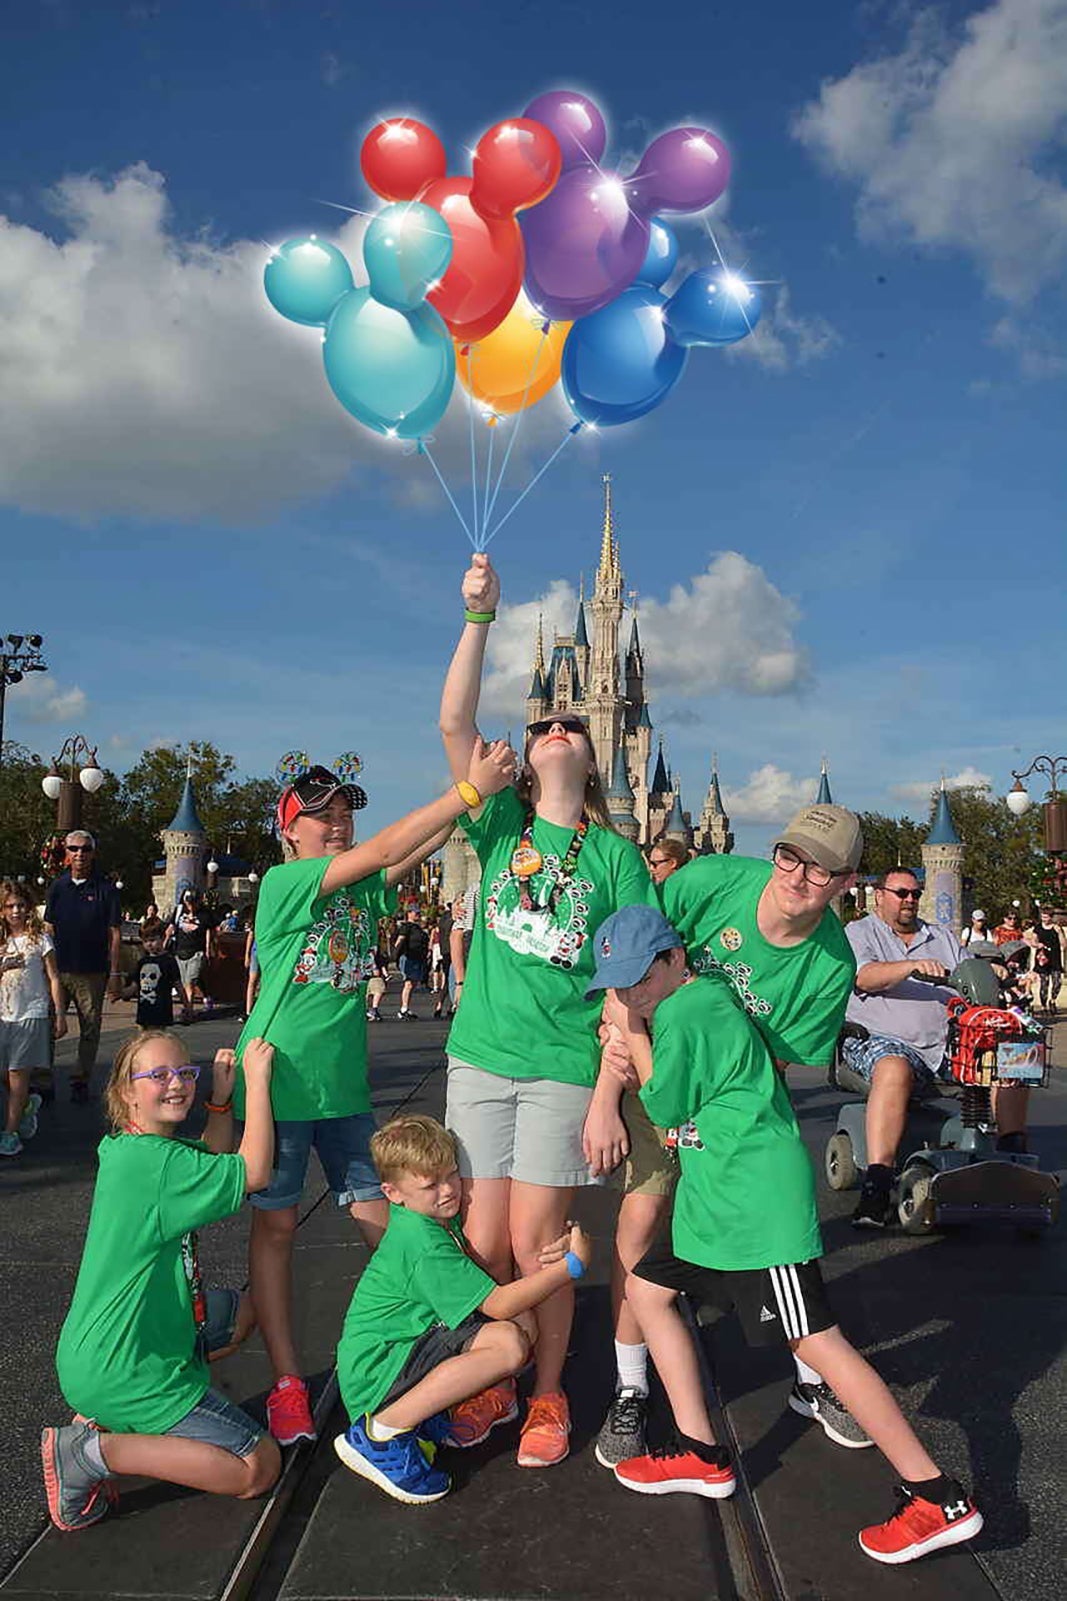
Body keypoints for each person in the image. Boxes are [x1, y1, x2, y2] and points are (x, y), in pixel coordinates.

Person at [588, 904, 983, 1567]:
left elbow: (662, 1110)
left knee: (817, 1342)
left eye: (640, 979)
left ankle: (934, 1495)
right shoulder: (698, 999)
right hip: (715, 1205)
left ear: (673, 959)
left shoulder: (686, 1011)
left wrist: (632, 1036)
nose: (633, 994)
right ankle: (702, 1451)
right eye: (619, 984)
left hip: (752, 1208)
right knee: (650, 1291)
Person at [439, 552, 655, 1469]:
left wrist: (610, 1094)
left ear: (600, 748)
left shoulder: (616, 858)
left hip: (567, 1067)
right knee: (482, 1239)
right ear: (526, 757)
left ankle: (550, 1390)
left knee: (539, 1243)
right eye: (547, 719)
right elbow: (453, 720)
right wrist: (478, 617)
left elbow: (629, 991)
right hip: (482, 1057)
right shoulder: (498, 828)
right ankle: (498, 1365)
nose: (561, 724)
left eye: (575, 720)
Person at [237, 747, 515, 1449]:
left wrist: (476, 801)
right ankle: (288, 1383)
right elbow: (393, 843)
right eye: (319, 814)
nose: (335, 824)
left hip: (342, 1089)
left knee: (393, 1231)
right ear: (289, 829)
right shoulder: (284, 882)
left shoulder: (359, 891)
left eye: (342, 814)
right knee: (275, 1233)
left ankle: (419, 1363)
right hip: (281, 1080)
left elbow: (409, 847)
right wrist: (463, 789)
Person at [591, 804, 864, 1467]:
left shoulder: (829, 966)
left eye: (821, 868)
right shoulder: (710, 880)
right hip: (649, 1073)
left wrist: (704, 1118)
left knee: (770, 1243)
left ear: (845, 881)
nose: (799, 877)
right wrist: (606, 1086)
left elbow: (768, 1065)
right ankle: (630, 1386)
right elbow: (626, 955)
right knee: (640, 1229)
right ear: (774, 852)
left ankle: (811, 1378)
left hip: (729, 1111)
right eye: (790, 856)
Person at [42, 1030, 279, 1531]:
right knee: (258, 1467)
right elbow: (253, 1171)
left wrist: (219, 1099)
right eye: (159, 1075)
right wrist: (256, 1085)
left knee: (239, 1315)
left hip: (104, 1351)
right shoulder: (155, 1165)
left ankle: (110, 1419)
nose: (176, 1084)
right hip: (124, 1367)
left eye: (183, 1073)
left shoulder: (131, 1148)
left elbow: (209, 1161)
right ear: (126, 1091)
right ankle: (88, 1453)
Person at [334, 1114, 593, 1504]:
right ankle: (382, 1433)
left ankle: (418, 1414)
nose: (448, 1191)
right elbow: (499, 1303)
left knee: (515, 1330)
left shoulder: (428, 1219)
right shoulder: (421, 1243)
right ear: (392, 1193)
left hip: (396, 1351)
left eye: (451, 1175)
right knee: (508, 1345)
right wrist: (570, 1267)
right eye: (430, 1184)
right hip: (378, 1373)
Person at [843, 867, 1030, 1229]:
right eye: (902, 893)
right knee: (894, 1066)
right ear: (879, 895)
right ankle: (878, 1185)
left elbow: (970, 975)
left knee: (1014, 1056)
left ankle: (1014, 1161)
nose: (911, 900)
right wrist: (911, 966)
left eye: (916, 893)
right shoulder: (859, 932)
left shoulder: (940, 936)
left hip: (946, 1044)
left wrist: (993, 971)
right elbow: (863, 976)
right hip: (878, 1039)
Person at [42, 832, 123, 1104]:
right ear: (66, 852)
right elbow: (48, 928)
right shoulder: (57, 887)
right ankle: (44, 1078)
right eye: (74, 848)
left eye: (85, 849)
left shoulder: (106, 889)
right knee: (50, 1025)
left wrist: (114, 973)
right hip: (59, 969)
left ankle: (80, 1078)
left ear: (93, 852)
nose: (79, 854)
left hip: (92, 971)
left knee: (90, 1027)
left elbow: (114, 934)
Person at [1, 880, 66, 1157]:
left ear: (28, 908)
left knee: (17, 1074)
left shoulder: (40, 939)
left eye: (20, 905)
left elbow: (53, 977)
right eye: (9, 906)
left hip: (32, 1013)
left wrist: (59, 1014)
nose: (16, 910)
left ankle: (10, 1133)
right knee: (5, 1073)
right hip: (4, 1015)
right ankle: (27, 1104)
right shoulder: (1, 942)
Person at [129, 926, 190, 1030]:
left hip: (161, 1012)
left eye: (152, 940)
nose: (149, 944)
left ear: (162, 938)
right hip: (144, 1013)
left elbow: (178, 985)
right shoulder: (142, 962)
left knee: (157, 1039)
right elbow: (135, 986)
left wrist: (187, 1005)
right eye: (145, 941)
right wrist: (119, 993)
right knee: (143, 1042)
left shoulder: (169, 961)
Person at [165, 889, 214, 1014]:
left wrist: (208, 949)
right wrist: (165, 941)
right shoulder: (179, 911)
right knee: (183, 982)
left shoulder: (204, 914)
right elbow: (171, 927)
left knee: (190, 982)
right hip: (180, 951)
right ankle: (189, 1007)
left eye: (193, 903)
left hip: (196, 951)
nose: (190, 905)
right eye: (188, 902)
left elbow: (208, 930)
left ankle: (189, 1010)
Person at [394, 910, 430, 1020]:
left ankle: (406, 1007)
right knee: (409, 983)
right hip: (409, 957)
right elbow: (399, 941)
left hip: (418, 957)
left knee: (413, 983)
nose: (417, 914)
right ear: (409, 913)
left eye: (418, 912)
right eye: (415, 912)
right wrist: (397, 956)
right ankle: (403, 1009)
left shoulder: (418, 928)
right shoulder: (407, 926)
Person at [1033, 907, 1063, 1015]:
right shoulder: (1038, 928)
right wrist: (1037, 944)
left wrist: (1059, 933)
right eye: (1042, 916)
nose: (1044, 919)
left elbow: (1064, 945)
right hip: (1042, 958)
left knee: (1057, 983)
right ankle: (1044, 1005)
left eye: (1046, 917)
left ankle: (1053, 1000)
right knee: (1044, 984)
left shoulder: (1056, 928)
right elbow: (1033, 941)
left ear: (1051, 917)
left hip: (1055, 958)